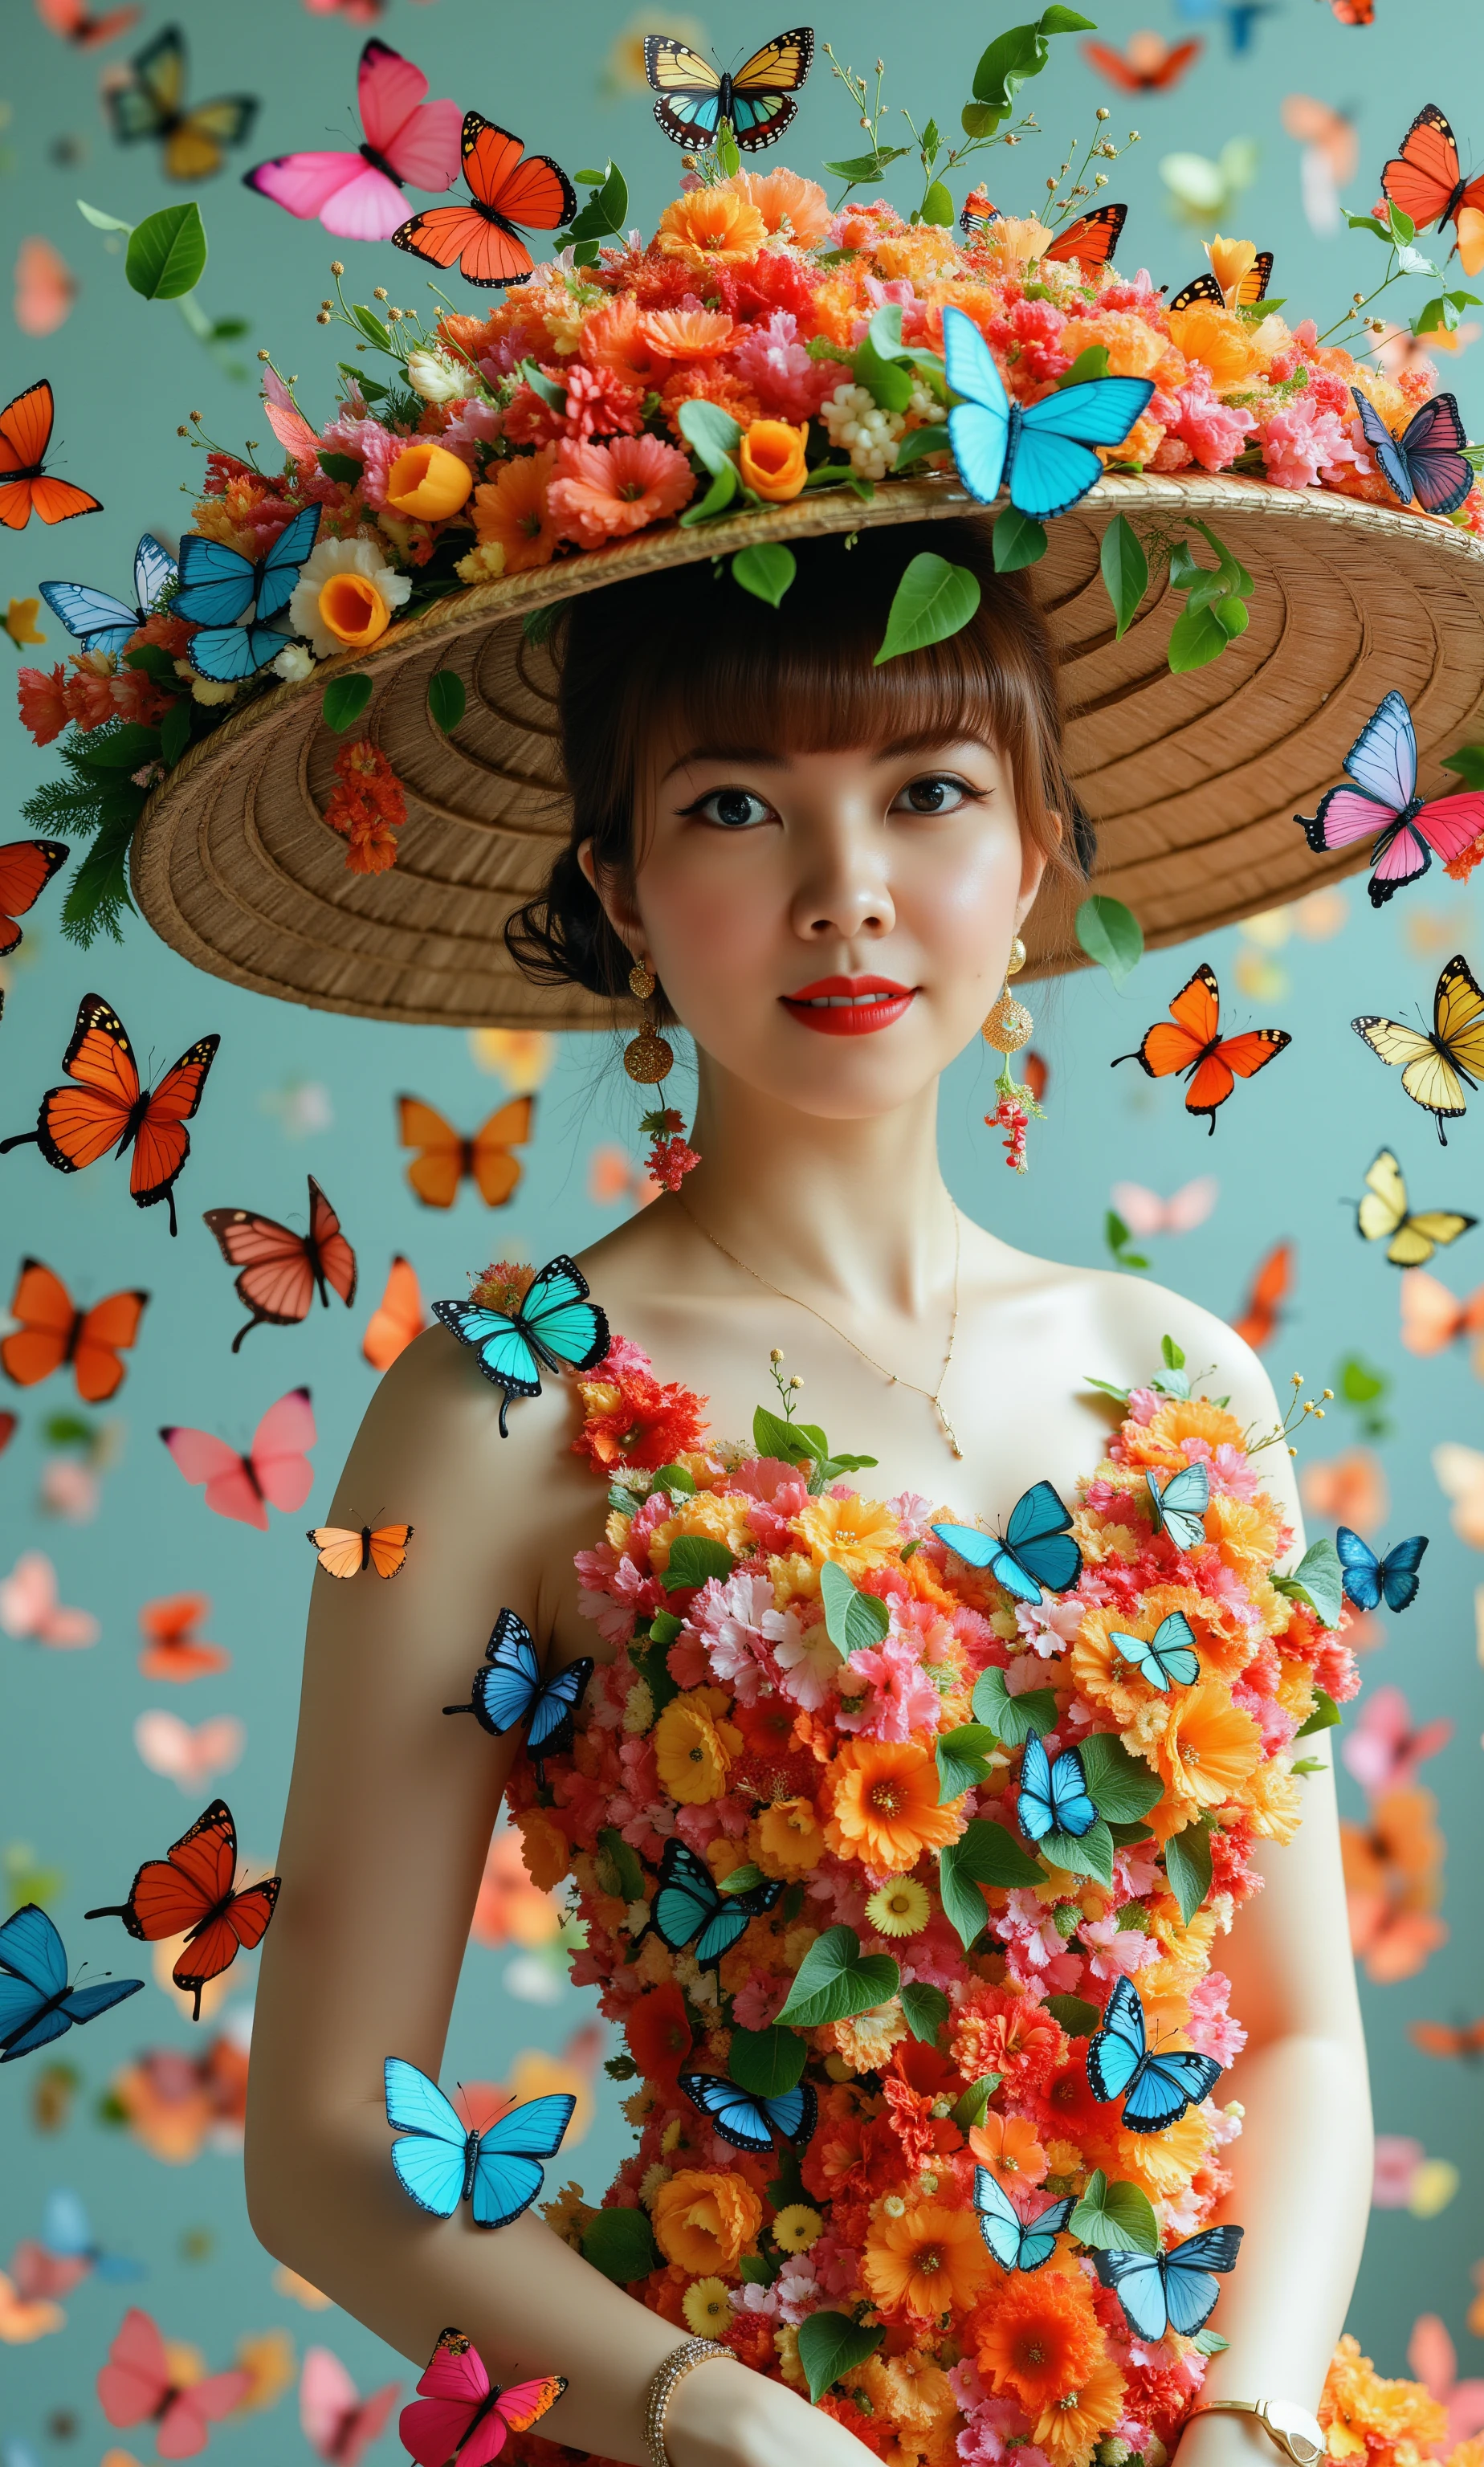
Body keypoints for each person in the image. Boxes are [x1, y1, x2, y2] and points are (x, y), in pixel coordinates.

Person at [244, 523, 1376, 2467]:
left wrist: (1256, 2424)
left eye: (926, 794)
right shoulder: (502, 1412)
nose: (845, 895)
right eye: (739, 806)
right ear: (622, 886)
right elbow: (325, 2143)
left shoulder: (1185, 1383)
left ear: (1027, 860)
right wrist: (721, 2426)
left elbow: (1296, 2033)